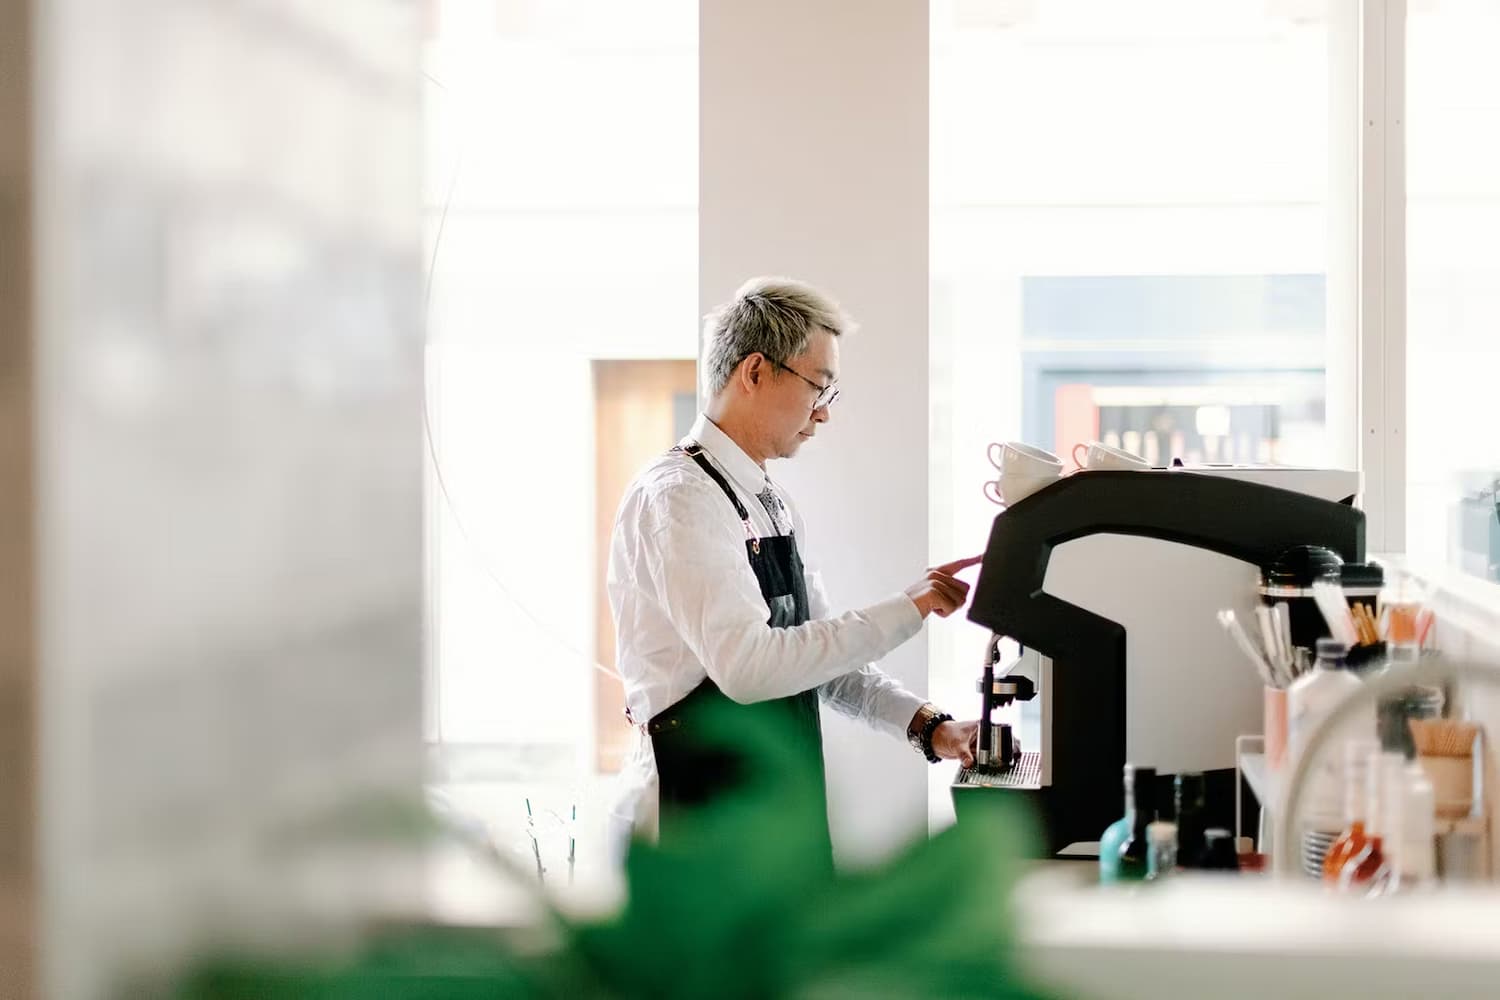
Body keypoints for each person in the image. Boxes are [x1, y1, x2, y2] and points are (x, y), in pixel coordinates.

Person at [606, 276, 984, 863]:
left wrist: (928, 727)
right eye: (819, 387)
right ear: (755, 372)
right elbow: (750, 668)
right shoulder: (679, 498)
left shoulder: (768, 502)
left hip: (772, 811)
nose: (823, 414)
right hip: (695, 821)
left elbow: (821, 662)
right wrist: (905, 608)